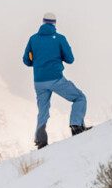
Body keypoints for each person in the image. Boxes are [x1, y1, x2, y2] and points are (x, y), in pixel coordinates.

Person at [22, 12, 90, 148]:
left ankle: (41, 140)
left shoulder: (33, 39)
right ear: (54, 23)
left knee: (43, 110)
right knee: (79, 98)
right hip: (56, 79)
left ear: (43, 22)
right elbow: (70, 59)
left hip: (39, 82)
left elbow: (26, 60)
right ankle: (76, 126)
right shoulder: (59, 38)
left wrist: (37, 62)